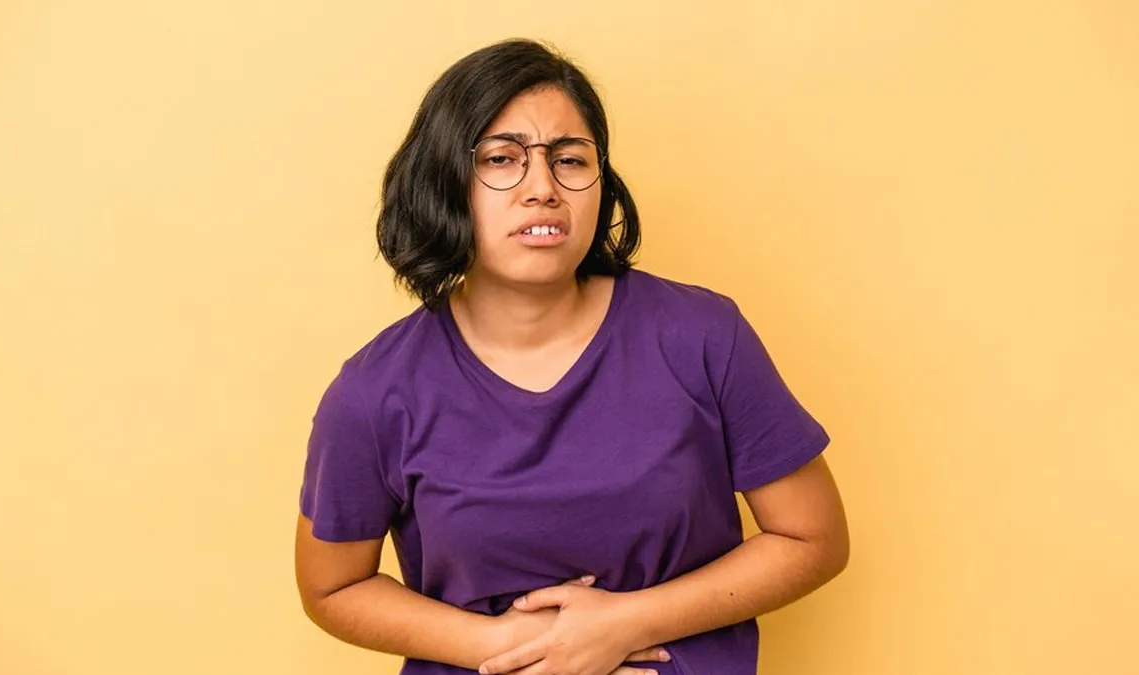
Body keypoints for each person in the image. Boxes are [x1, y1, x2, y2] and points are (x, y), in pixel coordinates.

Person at [293, 38, 849, 675]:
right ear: (443, 182)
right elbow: (332, 586)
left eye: (569, 159)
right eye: (502, 159)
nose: (543, 189)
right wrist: (513, 649)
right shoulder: (373, 393)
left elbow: (813, 536)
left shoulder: (701, 336)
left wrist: (629, 623)